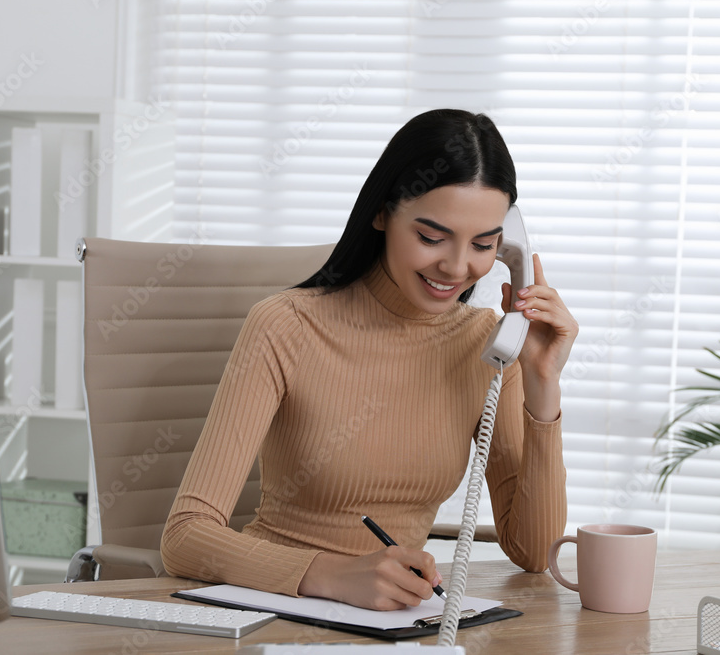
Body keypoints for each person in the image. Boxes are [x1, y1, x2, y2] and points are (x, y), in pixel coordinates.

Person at [161, 108, 578, 612]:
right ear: (382, 213)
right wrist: (332, 576)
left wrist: (541, 380)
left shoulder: (488, 347)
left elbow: (534, 553)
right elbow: (185, 537)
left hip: (394, 627)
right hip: (272, 613)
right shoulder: (286, 325)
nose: (456, 266)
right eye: (431, 237)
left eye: (484, 245)